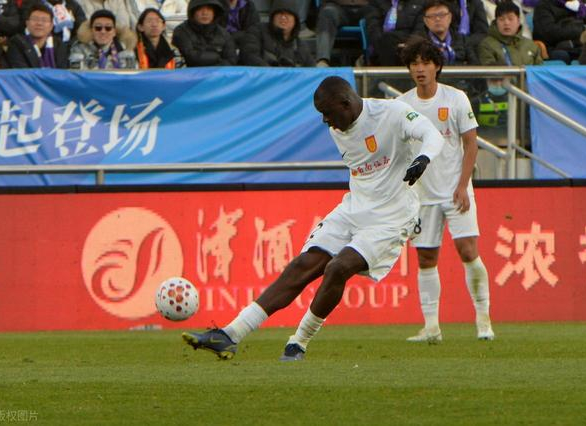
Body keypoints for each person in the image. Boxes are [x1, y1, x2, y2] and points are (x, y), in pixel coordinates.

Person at [182, 75, 445, 361]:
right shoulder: (338, 128)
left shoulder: (391, 112)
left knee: (337, 268)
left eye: (328, 113)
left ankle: (299, 341)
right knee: (303, 265)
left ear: (346, 103)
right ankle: (230, 334)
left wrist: (423, 158)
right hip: (354, 208)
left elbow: (432, 134)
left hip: (391, 217)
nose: (325, 121)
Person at [397, 37, 494, 343]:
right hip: (422, 195)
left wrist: (463, 185)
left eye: (425, 63)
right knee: (426, 258)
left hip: (455, 190)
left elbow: (470, 144)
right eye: (414, 64)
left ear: (437, 66)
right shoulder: (402, 105)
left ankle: (483, 320)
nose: (420, 69)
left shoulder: (456, 99)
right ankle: (431, 327)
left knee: (468, 251)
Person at [242, 0, 314, 66]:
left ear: (295, 21)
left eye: (288, 14)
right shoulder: (257, 32)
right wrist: (274, 73)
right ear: (272, 17)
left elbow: (312, 70)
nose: (283, 17)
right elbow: (250, 56)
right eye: (280, 13)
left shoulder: (300, 46)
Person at [171, 0, 237, 66]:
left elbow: (231, 60)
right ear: (193, 12)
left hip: (219, 71)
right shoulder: (181, 31)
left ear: (214, 13)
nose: (205, 13)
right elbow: (190, 57)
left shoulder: (223, 33)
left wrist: (215, 69)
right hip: (189, 71)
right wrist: (216, 57)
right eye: (200, 9)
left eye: (209, 9)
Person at [478, 0, 542, 65]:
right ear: (496, 22)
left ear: (518, 21)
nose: (506, 23)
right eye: (501, 19)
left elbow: (540, 70)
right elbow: (489, 69)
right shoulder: (487, 45)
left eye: (510, 19)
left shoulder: (531, 45)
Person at [532, 0, 586, 64]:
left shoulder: (585, 4)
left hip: (581, 44)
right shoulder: (544, 5)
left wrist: (575, 40)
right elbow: (548, 32)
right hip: (554, 47)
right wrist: (581, 29)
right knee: (562, 55)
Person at [69, 9, 137, 69]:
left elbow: (130, 75)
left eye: (108, 28)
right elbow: (77, 74)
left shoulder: (125, 50)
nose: (103, 32)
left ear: (114, 32)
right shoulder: (79, 48)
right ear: (91, 30)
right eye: (98, 28)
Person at [364, 0, 426, 66]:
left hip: (408, 43)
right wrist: (381, 45)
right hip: (382, 44)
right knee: (387, 40)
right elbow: (373, 27)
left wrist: (409, 45)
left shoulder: (421, 2)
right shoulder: (376, 2)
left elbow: (420, 29)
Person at [6, 3, 69, 67]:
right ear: (27, 23)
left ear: (51, 26)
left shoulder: (59, 45)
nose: (39, 23)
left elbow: (63, 70)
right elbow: (21, 70)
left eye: (44, 20)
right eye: (35, 19)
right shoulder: (16, 43)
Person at [421, 0, 478, 65]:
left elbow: (475, 66)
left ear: (450, 17)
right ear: (425, 21)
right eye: (432, 16)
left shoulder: (463, 40)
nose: (437, 19)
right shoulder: (419, 43)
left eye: (442, 15)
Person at [315, 0, 368, 66]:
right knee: (327, 12)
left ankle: (368, 59)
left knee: (376, 14)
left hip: (366, 7)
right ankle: (323, 60)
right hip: (337, 6)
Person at [19, 0, 86, 43]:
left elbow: (82, 29)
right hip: (40, 46)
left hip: (69, 49)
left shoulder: (73, 5)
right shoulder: (32, 3)